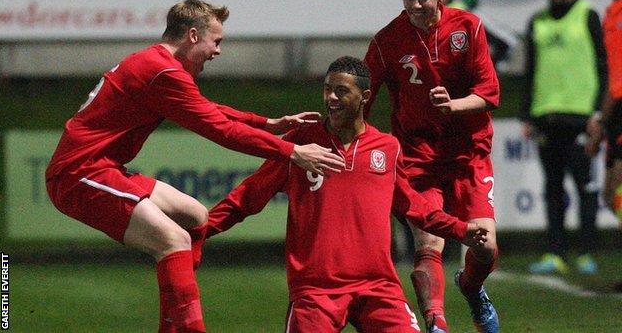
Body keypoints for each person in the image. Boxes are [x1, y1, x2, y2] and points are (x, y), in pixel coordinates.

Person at [45, 0, 346, 333]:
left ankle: (176, 317)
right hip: (78, 173)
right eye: (215, 41)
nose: (218, 51)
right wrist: (291, 151)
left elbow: (206, 109)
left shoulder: (158, 65)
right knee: (173, 240)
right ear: (192, 35)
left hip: (103, 167)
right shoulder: (162, 71)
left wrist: (266, 123)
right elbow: (219, 129)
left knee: (196, 217)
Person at [204, 56, 490, 333]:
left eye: (341, 91)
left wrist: (460, 229)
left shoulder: (387, 147)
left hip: (379, 288)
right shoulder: (300, 144)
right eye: (327, 90)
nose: (330, 98)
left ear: (365, 96)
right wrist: (198, 231)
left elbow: (414, 206)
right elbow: (246, 197)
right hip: (316, 292)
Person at [363, 0, 501, 332]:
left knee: (485, 247)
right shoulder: (387, 40)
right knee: (428, 244)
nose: (414, 5)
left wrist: (454, 106)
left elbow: (488, 93)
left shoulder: (469, 28)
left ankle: (470, 286)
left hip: (469, 153)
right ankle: (436, 323)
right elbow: (361, 97)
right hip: (416, 157)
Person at [521, 0, 607, 276]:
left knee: (586, 186)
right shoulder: (537, 21)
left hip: (580, 116)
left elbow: (603, 64)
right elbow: (530, 70)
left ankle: (586, 252)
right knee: (553, 189)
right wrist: (527, 115)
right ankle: (555, 252)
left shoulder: (588, 15)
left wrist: (598, 111)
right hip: (547, 116)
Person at [585, 0, 622, 291]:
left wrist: (599, 119)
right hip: (617, 114)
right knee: (612, 196)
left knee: (615, 192)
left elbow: (618, 78)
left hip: (619, 110)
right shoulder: (612, 13)